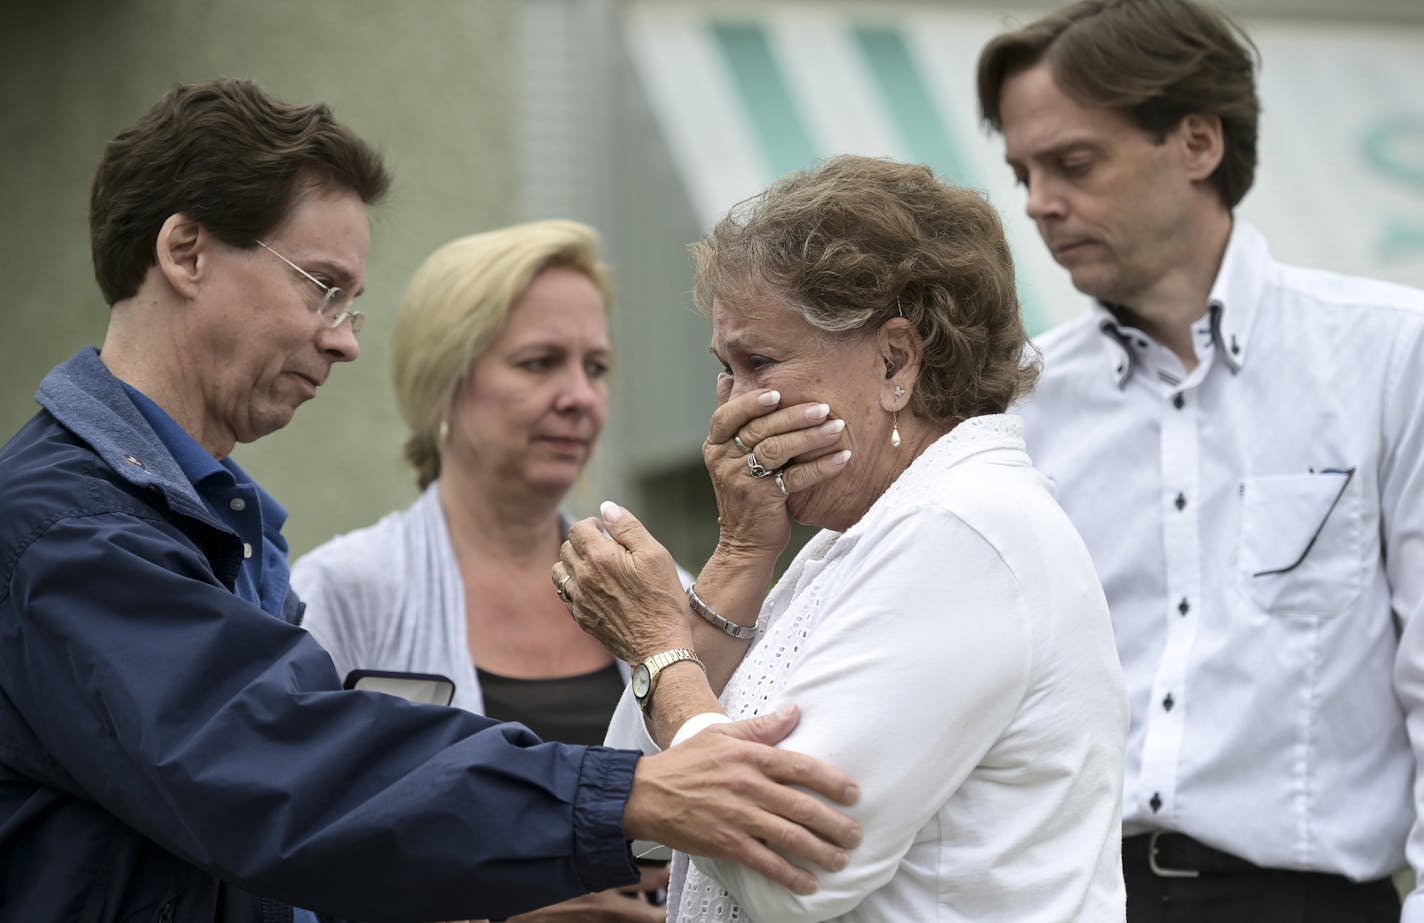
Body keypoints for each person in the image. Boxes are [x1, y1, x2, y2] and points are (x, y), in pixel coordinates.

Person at [0, 77, 865, 923]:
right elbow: (281, 767)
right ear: (185, 252)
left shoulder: (204, 523)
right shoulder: (69, 530)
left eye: (596, 366)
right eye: (321, 287)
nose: (340, 340)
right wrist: (621, 802)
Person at [551, 154, 1129, 922]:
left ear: (895, 360)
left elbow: (788, 867)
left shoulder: (967, 529)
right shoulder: (858, 536)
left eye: (759, 362)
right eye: (723, 369)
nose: (729, 407)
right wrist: (739, 558)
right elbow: (644, 805)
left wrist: (659, 644)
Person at [976, 1, 1424, 920]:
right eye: (1023, 171)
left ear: (1197, 143)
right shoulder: (1016, 406)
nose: (1037, 202)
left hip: (1313, 902)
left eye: (1072, 162)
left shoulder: (1392, 357)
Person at [291, 220, 670, 920]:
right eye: (539, 362)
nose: (580, 397)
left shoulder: (654, 583)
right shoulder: (345, 590)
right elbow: (289, 863)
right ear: (445, 384)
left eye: (596, 366)